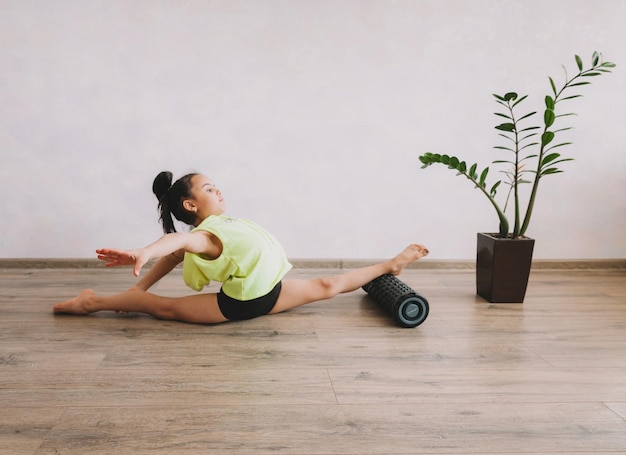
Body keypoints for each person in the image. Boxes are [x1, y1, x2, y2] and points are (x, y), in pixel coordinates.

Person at [53, 171, 429, 323]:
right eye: (208, 188)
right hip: (239, 305)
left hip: (269, 291)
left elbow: (174, 254)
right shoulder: (204, 235)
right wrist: (143, 253)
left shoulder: (223, 224)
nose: (218, 189)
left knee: (328, 286)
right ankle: (92, 301)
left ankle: (390, 265)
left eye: (215, 184)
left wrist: (140, 283)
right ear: (190, 205)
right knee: (163, 309)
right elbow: (177, 242)